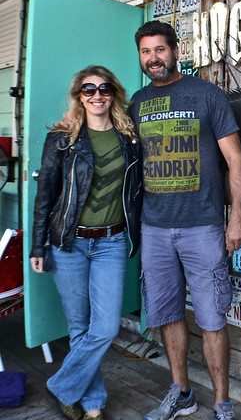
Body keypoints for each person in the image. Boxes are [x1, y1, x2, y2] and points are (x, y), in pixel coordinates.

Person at [130, 20, 241, 420]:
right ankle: (181, 393)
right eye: (146, 52)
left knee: (213, 316)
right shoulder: (137, 102)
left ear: (175, 51)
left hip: (203, 225)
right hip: (154, 227)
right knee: (166, 313)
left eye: (160, 50)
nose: (153, 59)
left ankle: (222, 403)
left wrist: (237, 219)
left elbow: (235, 159)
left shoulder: (206, 94)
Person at [30, 66, 142, 420]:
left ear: (114, 93)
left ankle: (61, 385)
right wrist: (38, 245)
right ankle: (93, 404)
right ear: (79, 95)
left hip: (110, 242)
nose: (97, 95)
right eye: (88, 89)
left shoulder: (129, 138)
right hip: (68, 244)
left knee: (105, 327)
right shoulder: (62, 139)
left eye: (104, 88)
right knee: (79, 326)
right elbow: (45, 195)